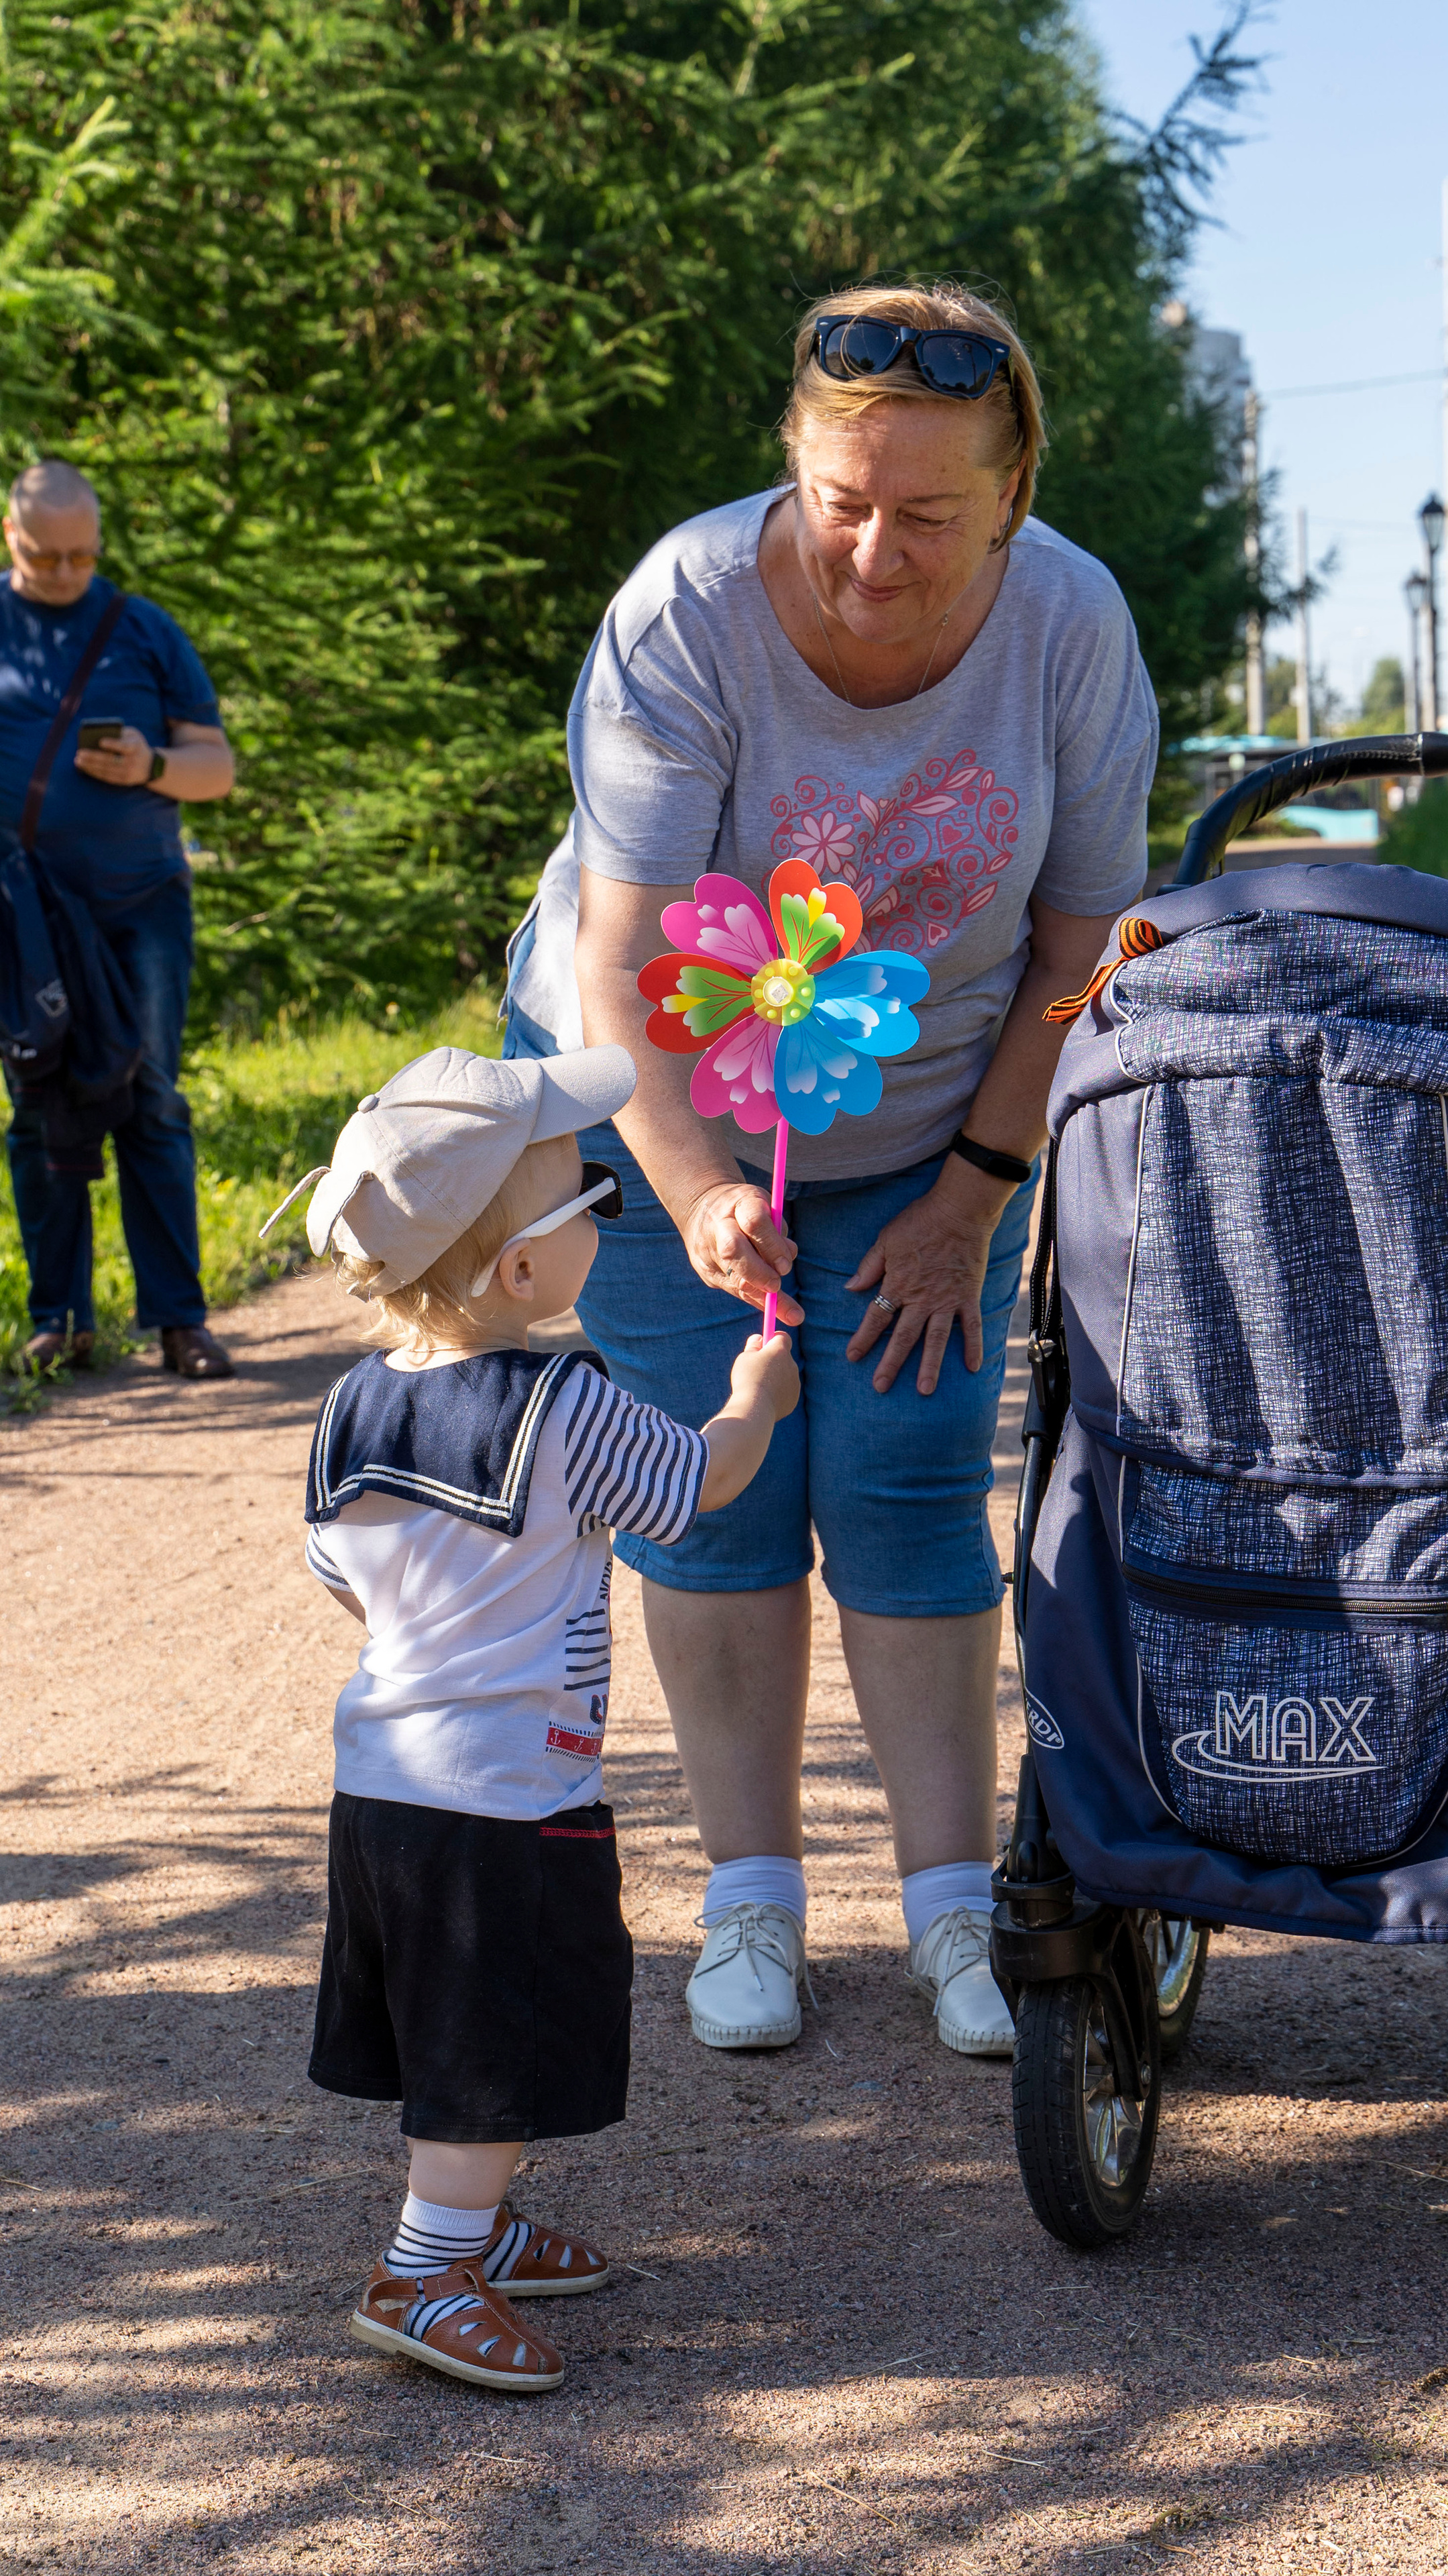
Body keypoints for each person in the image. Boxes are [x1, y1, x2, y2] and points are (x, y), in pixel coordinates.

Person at [504, 282, 1159, 2060]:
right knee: (718, 1485)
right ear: (791, 466)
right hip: (659, 1099)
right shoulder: (687, 610)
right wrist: (705, 1184)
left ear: (1014, 497)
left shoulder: (1074, 631)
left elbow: (1081, 955)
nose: (877, 552)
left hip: (928, 1109)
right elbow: (619, 965)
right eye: (839, 501)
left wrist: (968, 1197)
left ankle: (955, 1914)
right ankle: (754, 1908)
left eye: (931, 515)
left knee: (905, 1472)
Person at [275, 1043, 799, 2392]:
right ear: (521, 1274)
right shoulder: (563, 1407)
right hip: (507, 1797)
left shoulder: (349, 1406)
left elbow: (338, 1571)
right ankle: (425, 2268)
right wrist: (752, 1400)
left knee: (452, 2026)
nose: (605, 1216)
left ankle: (475, 2232)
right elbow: (698, 1485)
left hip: (384, 1783)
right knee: (497, 2040)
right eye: (595, 1203)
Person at [0, 458, 235, 1377]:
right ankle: (60, 1319)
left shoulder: (143, 630)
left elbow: (215, 769)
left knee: (150, 1100)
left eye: (81, 555)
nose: (64, 572)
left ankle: (179, 1320)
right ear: (11, 538)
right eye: (43, 556)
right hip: (25, 919)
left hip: (140, 907)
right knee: (37, 1102)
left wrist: (149, 764)